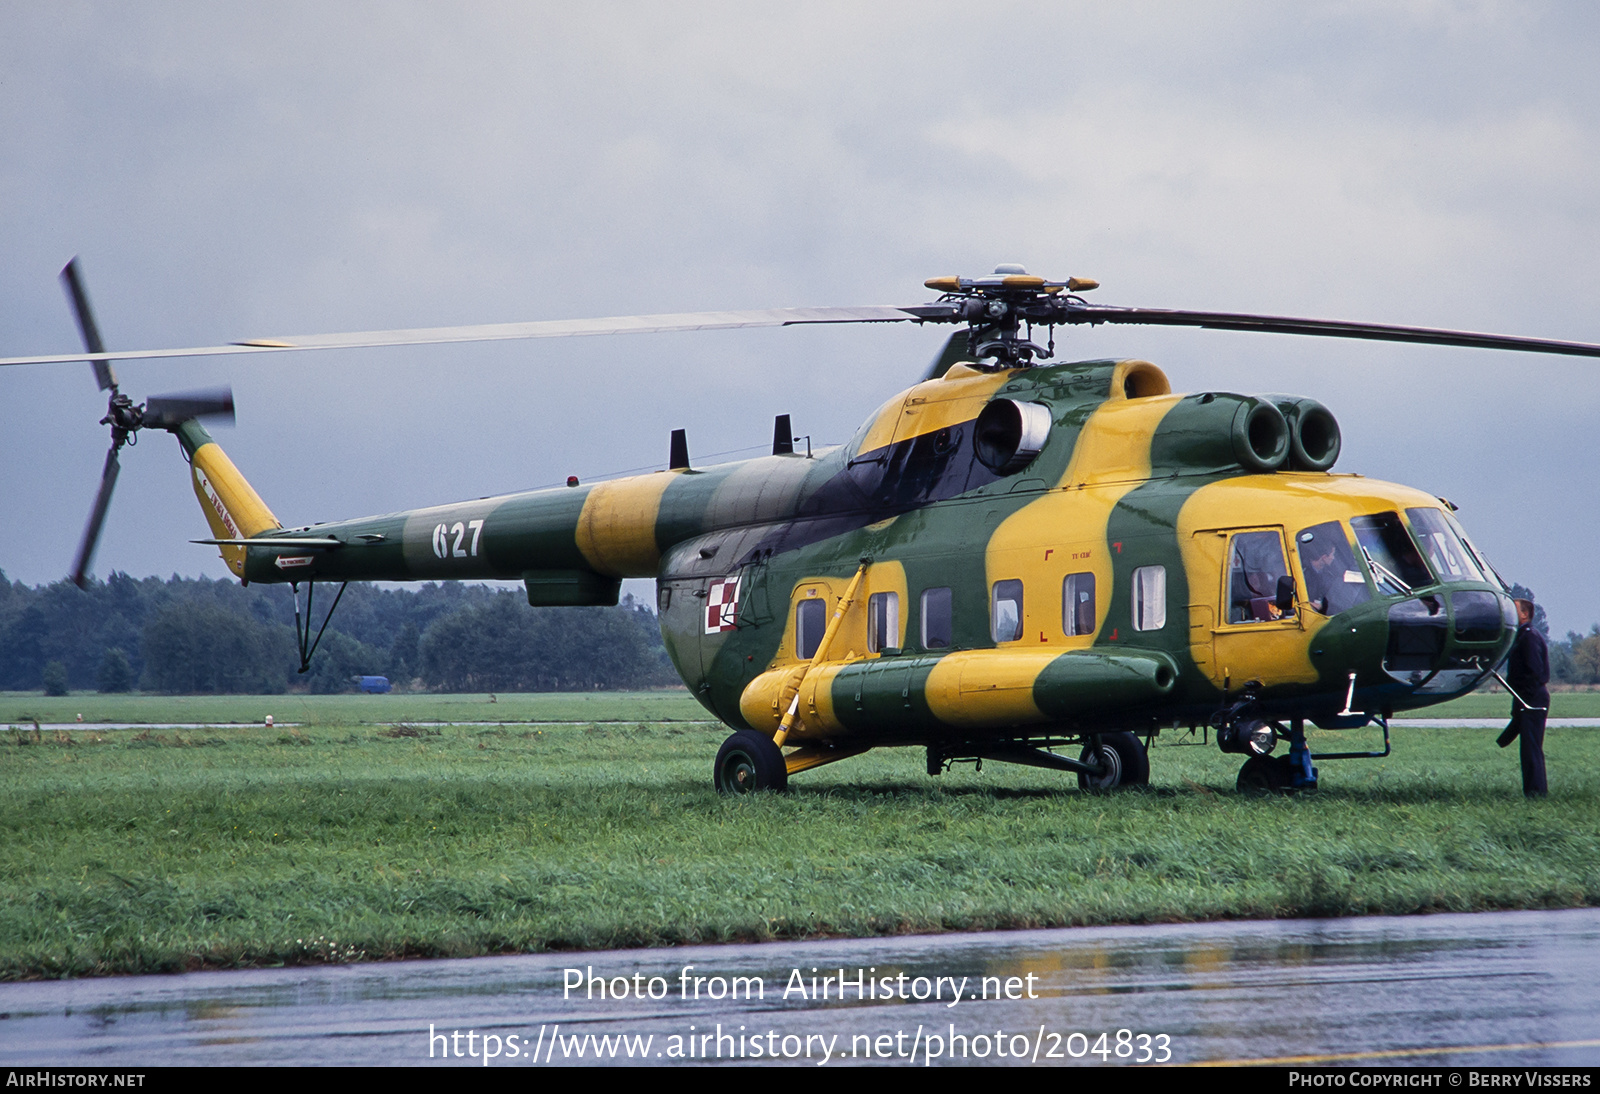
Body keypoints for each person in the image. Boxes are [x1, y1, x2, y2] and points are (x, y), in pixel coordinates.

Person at [1496, 597, 1549, 798]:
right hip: (1526, 696)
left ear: (1525, 614)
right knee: (1527, 748)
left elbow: (1534, 670)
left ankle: (1536, 793)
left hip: (1532, 697)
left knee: (1531, 748)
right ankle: (1533, 790)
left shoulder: (1529, 637)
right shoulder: (1522, 636)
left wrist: (1523, 695)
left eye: (1514, 610)